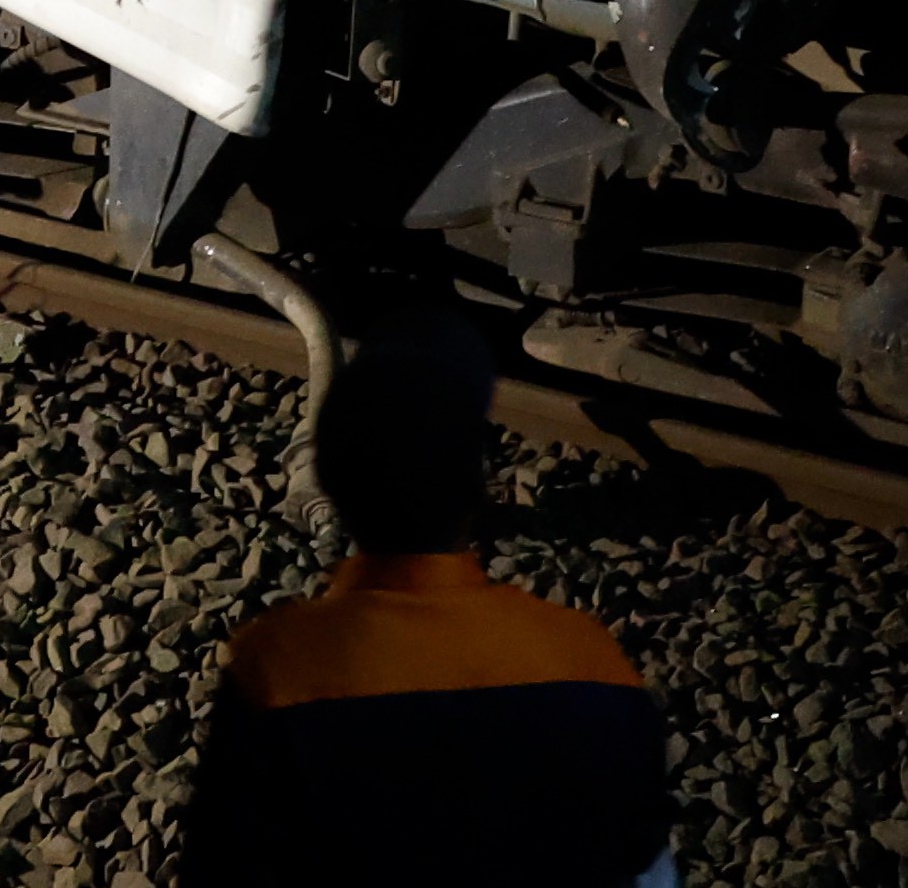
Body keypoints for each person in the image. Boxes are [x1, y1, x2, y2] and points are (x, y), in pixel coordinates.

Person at [179, 309, 673, 887]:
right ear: (474, 493)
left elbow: (221, 867)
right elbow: (644, 868)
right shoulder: (587, 657)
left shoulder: (278, 664)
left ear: (333, 485)